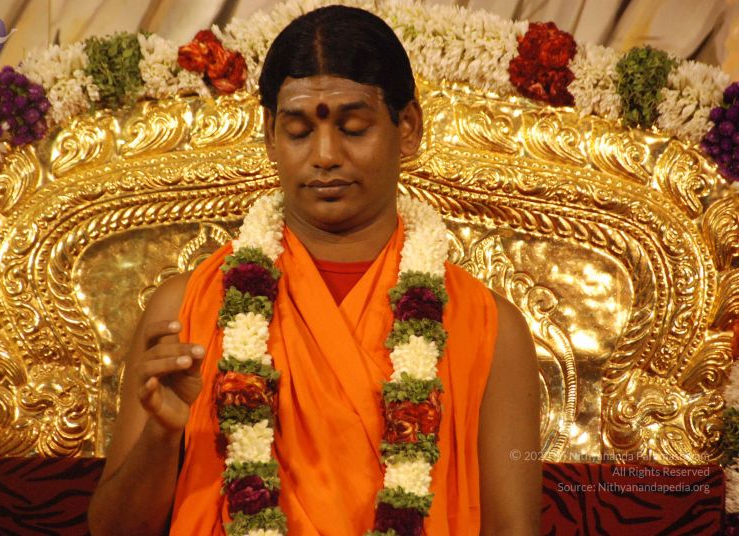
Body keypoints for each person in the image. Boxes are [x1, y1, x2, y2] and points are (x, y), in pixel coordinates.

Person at [88, 5, 540, 535]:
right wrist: (161, 437)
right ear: (269, 135)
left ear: (408, 128)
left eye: (353, 128)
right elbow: (111, 532)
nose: (325, 155)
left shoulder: (490, 329)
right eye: (300, 131)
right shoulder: (184, 310)